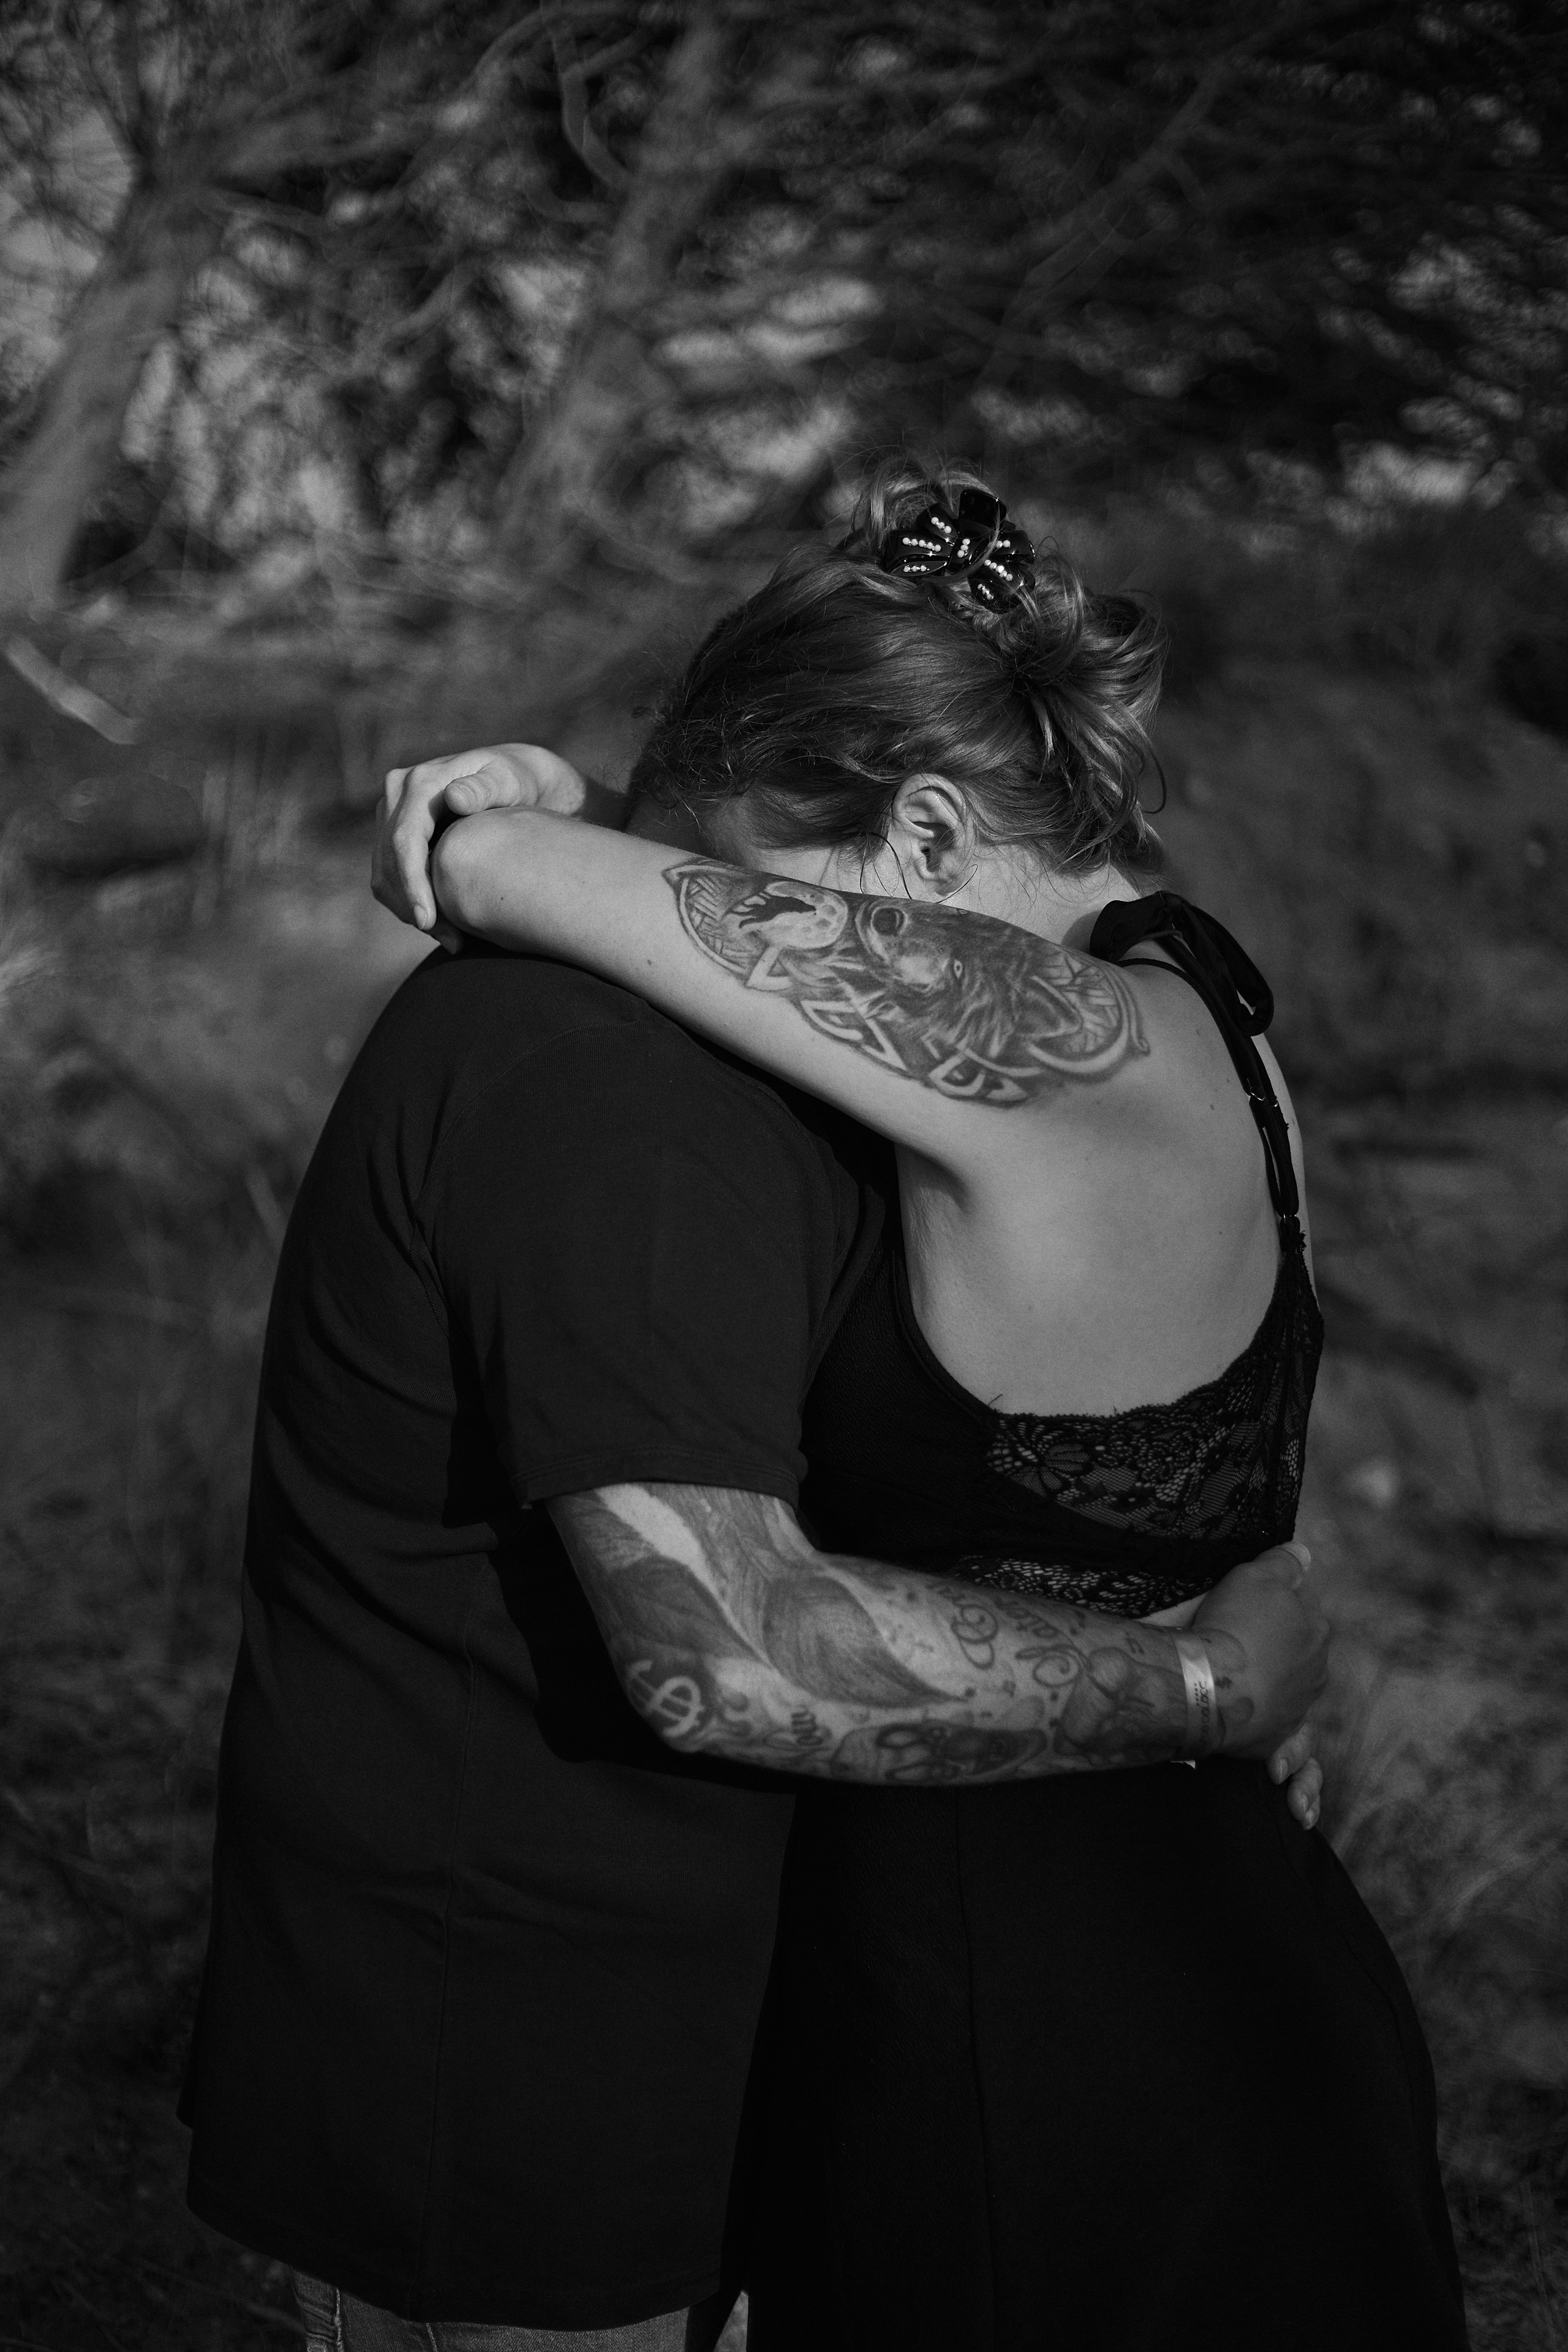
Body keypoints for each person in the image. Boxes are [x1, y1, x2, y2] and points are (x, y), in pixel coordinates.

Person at [178, 493, 1333, 2351]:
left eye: (744, 899)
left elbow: (512, 879)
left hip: (1035, 1985)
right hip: (1184, 1942)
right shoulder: (1211, 1009)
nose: (715, 951)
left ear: (937, 829)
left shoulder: (1050, 1038)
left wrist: (513, 826)